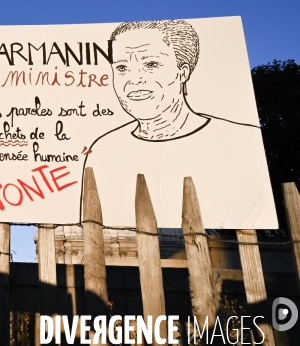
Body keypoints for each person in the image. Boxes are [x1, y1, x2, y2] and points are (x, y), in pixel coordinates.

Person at [83, 20, 277, 229]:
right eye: (121, 67)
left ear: (183, 71)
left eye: (151, 64)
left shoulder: (240, 139)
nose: (134, 79)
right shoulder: (104, 148)